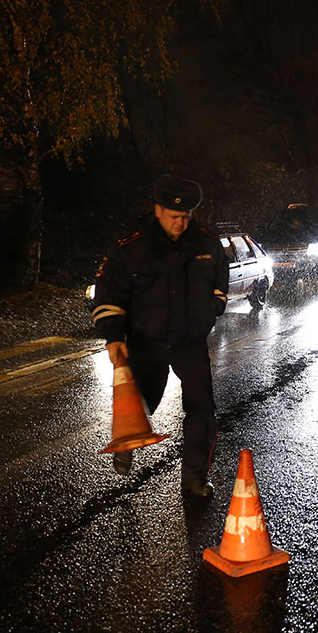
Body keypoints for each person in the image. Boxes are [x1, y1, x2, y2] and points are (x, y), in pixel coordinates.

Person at [91, 174, 229, 496]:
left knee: (202, 411)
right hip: (146, 342)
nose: (180, 223)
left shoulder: (207, 245)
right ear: (157, 210)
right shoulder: (132, 248)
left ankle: (195, 478)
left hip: (189, 343)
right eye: (173, 216)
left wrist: (213, 308)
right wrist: (113, 337)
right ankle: (127, 440)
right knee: (140, 401)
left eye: (186, 216)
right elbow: (110, 293)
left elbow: (220, 283)